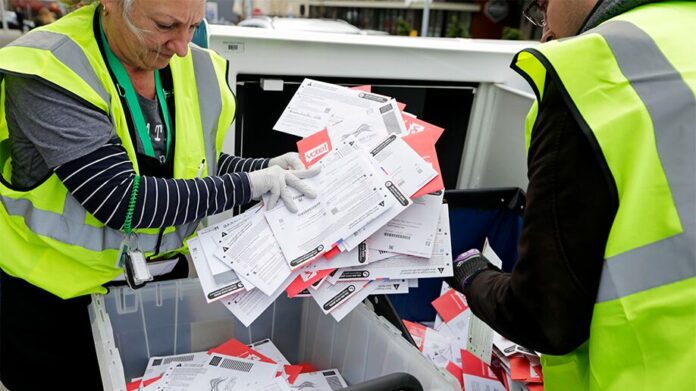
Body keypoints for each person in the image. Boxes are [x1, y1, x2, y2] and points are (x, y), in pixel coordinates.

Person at [0, 0, 319, 389]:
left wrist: (263, 169)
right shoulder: (53, 68)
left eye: (193, 25)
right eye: (166, 25)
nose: (182, 46)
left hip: (160, 295)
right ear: (111, 4)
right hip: (59, 309)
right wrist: (248, 185)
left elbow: (194, 163)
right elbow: (121, 199)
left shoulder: (189, 61)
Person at [449, 0, 696, 390]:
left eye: (541, 5)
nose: (545, 30)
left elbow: (544, 317)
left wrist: (473, 275)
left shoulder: (589, 70)